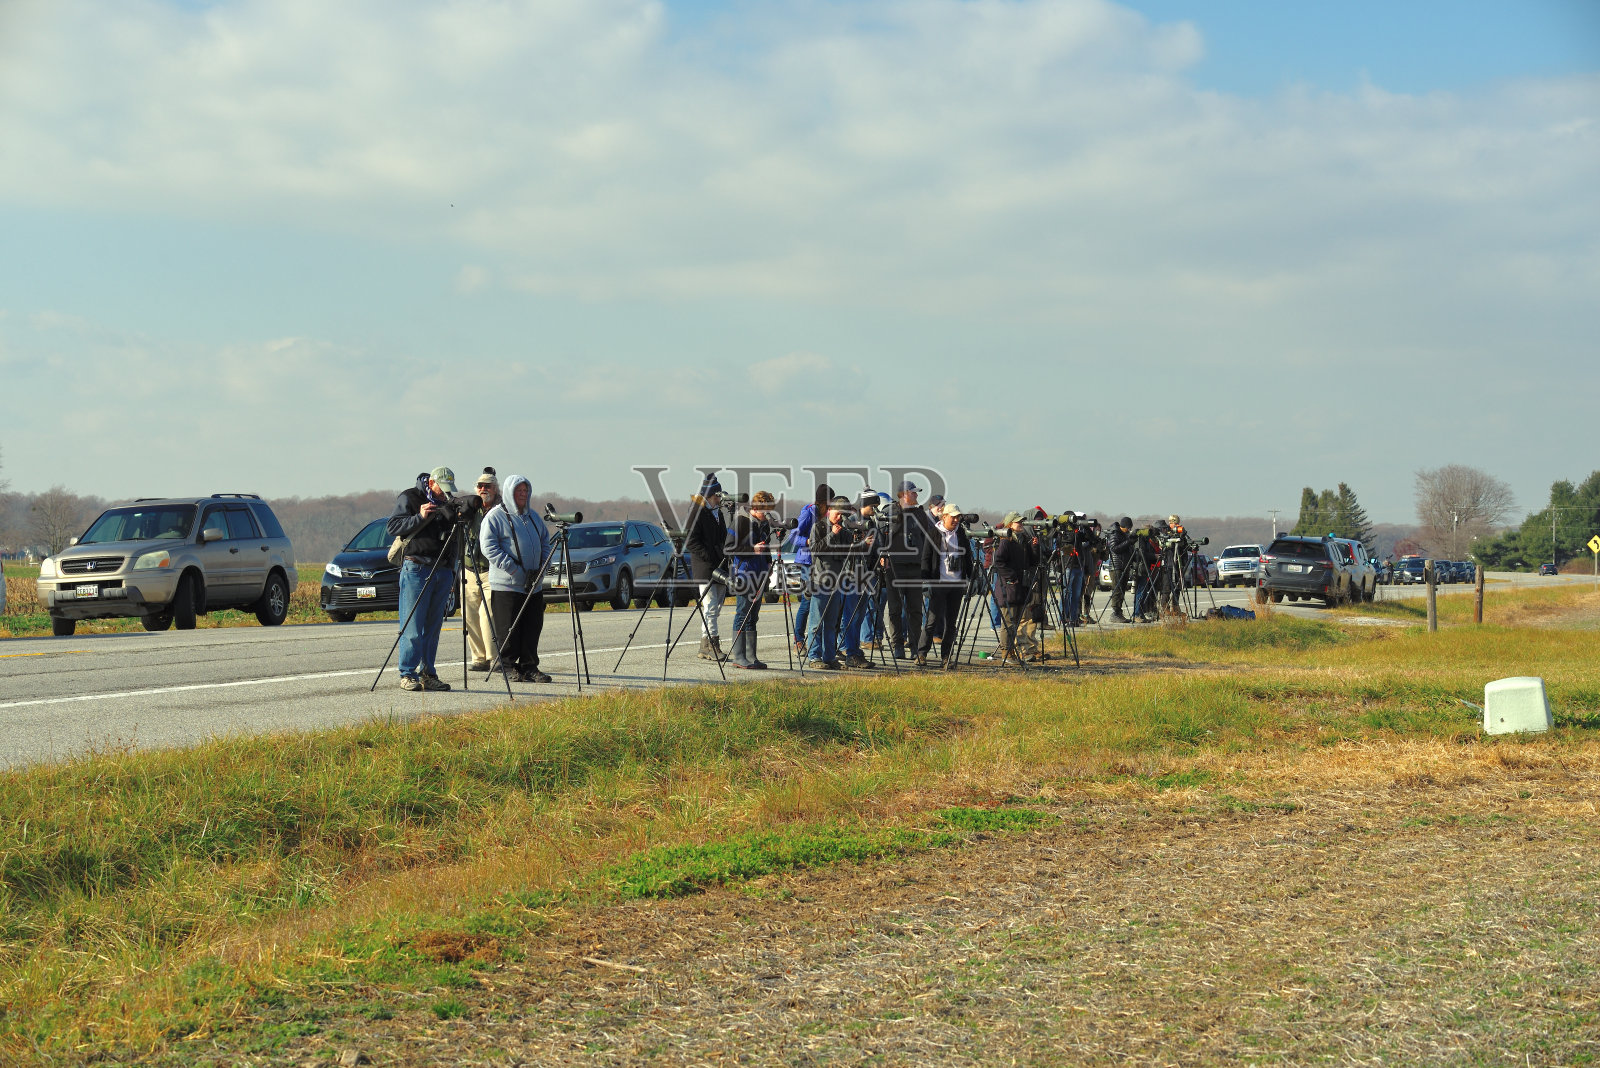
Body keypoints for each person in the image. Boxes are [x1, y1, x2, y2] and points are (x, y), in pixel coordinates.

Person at [386, 466, 465, 691]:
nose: (445, 494)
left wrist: (451, 571)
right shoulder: (410, 497)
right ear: (431, 483)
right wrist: (420, 516)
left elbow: (455, 540)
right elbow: (393, 527)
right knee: (413, 625)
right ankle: (407, 674)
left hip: (442, 571)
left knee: (432, 627)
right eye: (442, 489)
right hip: (416, 568)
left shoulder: (449, 503)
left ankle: (428, 673)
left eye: (449, 490)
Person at [481, 474, 553, 683]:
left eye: (525, 491)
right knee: (508, 628)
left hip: (534, 585)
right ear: (509, 492)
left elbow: (545, 542)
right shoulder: (495, 516)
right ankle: (507, 666)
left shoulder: (533, 517)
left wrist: (542, 568)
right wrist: (513, 569)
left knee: (533, 626)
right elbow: (488, 547)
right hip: (507, 585)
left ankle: (530, 666)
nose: (523, 494)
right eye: (518, 491)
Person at [805, 495, 857, 670]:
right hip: (821, 581)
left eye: (843, 514)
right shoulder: (818, 527)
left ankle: (829, 657)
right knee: (816, 623)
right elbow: (814, 550)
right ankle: (814, 657)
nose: (839, 517)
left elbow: (849, 554)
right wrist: (831, 535)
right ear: (829, 511)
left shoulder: (844, 531)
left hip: (837, 582)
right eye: (837, 513)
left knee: (831, 623)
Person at [918, 503, 973, 667]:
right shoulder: (933, 533)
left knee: (951, 623)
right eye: (953, 517)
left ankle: (946, 657)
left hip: (956, 584)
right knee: (931, 621)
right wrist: (925, 581)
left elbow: (967, 557)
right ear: (944, 517)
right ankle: (921, 654)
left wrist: (972, 578)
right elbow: (926, 558)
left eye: (958, 517)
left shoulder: (961, 534)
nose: (956, 520)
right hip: (939, 583)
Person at [885, 480, 934, 660]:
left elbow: (928, 538)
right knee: (895, 608)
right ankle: (897, 644)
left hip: (915, 566)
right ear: (904, 494)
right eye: (913, 493)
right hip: (895, 567)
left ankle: (914, 645)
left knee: (915, 609)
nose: (916, 496)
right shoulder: (891, 512)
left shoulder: (920, 514)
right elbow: (887, 536)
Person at [728, 490, 777, 670]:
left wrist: (769, 562)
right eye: (764, 510)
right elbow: (730, 547)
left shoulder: (763, 523)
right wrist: (752, 549)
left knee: (753, 616)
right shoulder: (740, 520)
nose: (766, 514)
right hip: (744, 572)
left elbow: (766, 545)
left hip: (760, 573)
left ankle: (751, 656)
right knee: (742, 613)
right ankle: (738, 656)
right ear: (755, 507)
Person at [686, 474, 731, 662]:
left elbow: (722, 537)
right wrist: (710, 556)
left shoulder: (717, 512)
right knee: (710, 608)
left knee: (716, 607)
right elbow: (691, 541)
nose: (719, 500)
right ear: (709, 495)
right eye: (717, 496)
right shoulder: (696, 511)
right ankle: (712, 645)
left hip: (720, 566)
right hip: (705, 568)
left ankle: (704, 644)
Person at [461, 468, 500, 671]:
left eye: (488, 486)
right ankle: (479, 657)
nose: (483, 490)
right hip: (469, 569)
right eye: (480, 486)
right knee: (469, 616)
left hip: (491, 570)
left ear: (496, 488)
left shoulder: (502, 509)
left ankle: (494, 657)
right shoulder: (471, 508)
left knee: (488, 615)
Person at [787, 483, 831, 656]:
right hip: (806, 562)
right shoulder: (808, 513)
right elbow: (793, 536)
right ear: (823, 502)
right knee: (807, 602)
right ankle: (798, 640)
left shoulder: (825, 515)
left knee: (818, 603)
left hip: (820, 563)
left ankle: (817, 641)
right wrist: (808, 542)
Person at [990, 511, 1032, 665]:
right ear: (1009, 524)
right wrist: (1011, 577)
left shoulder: (1023, 540)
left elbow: (1031, 561)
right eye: (1017, 522)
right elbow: (998, 562)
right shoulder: (1005, 541)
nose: (1020, 524)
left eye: (1021, 522)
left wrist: (1034, 546)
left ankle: (1011, 651)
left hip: (1020, 587)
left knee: (1015, 621)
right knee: (1008, 621)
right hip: (1008, 588)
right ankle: (1005, 653)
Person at [1106, 516, 1138, 624]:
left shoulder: (1124, 534)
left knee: (1122, 590)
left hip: (1124, 565)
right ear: (1122, 526)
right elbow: (1114, 548)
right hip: (1116, 566)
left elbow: (1127, 550)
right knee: (1117, 590)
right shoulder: (1115, 533)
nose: (1129, 530)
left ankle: (1119, 613)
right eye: (1127, 528)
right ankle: (1115, 613)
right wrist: (1129, 542)